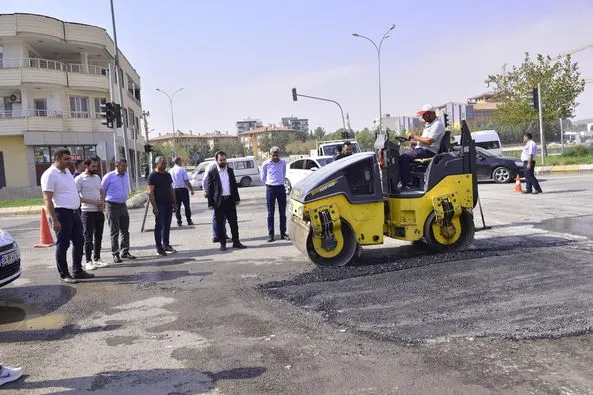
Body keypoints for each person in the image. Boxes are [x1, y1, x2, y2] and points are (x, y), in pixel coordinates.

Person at [41, 149, 95, 283]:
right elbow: (47, 199)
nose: (69, 161)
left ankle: (77, 271)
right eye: (66, 159)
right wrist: (54, 219)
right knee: (63, 245)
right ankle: (64, 274)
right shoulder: (50, 174)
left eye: (69, 158)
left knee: (79, 241)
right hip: (61, 214)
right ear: (57, 158)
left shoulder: (67, 173)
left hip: (74, 213)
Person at [207, 151, 247, 251]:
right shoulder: (212, 172)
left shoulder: (230, 171)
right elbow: (210, 189)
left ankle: (236, 242)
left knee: (233, 223)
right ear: (216, 160)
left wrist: (237, 198)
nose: (223, 162)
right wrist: (210, 203)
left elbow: (234, 185)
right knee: (220, 224)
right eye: (220, 160)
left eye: (224, 159)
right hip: (219, 202)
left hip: (230, 200)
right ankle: (223, 244)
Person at [399, 104, 445, 189]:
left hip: (429, 151)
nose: (423, 117)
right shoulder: (429, 125)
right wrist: (415, 143)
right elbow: (423, 141)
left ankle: (408, 184)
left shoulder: (437, 124)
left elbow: (429, 141)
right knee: (402, 156)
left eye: (424, 115)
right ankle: (407, 181)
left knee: (403, 158)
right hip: (423, 149)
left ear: (431, 114)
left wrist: (414, 136)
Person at [75, 157, 108, 271]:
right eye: (93, 166)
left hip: (98, 212)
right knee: (88, 237)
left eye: (96, 166)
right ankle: (88, 261)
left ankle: (97, 258)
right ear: (86, 166)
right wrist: (93, 202)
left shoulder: (97, 177)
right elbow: (77, 197)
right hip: (87, 212)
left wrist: (102, 202)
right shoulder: (79, 179)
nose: (95, 168)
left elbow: (101, 191)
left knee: (98, 236)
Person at [102, 159, 136, 263]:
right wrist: (103, 205)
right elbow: (102, 190)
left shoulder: (125, 176)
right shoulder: (109, 176)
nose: (125, 169)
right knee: (114, 231)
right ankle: (115, 254)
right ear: (117, 165)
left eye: (126, 166)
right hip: (112, 206)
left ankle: (125, 252)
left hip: (123, 206)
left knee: (125, 230)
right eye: (123, 166)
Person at [148, 156, 177, 255]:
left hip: (168, 203)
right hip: (159, 205)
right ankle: (159, 247)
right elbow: (150, 193)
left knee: (167, 225)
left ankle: (166, 244)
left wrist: (174, 202)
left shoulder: (167, 175)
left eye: (165, 163)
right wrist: (154, 207)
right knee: (159, 225)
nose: (165, 165)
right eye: (163, 163)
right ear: (157, 164)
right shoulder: (152, 176)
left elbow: (171, 188)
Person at [261, 146, 289, 242]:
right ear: (270, 155)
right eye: (273, 155)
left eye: (277, 155)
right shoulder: (265, 164)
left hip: (281, 188)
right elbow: (263, 177)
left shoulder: (283, 163)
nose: (275, 157)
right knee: (270, 213)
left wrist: (279, 182)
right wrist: (269, 184)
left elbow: (283, 173)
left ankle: (283, 233)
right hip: (270, 189)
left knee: (282, 212)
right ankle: (271, 234)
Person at [202, 161, 230, 243]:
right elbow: (205, 180)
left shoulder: (217, 165)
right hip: (216, 194)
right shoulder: (212, 166)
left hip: (220, 194)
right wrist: (207, 191)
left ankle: (219, 234)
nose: (223, 160)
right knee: (218, 215)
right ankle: (218, 235)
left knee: (220, 215)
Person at [169, 156, 194, 226]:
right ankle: (189, 220)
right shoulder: (181, 170)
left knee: (177, 206)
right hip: (182, 189)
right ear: (179, 161)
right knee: (186, 206)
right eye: (181, 161)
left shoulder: (170, 170)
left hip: (174, 190)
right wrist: (191, 188)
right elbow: (186, 181)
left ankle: (179, 221)